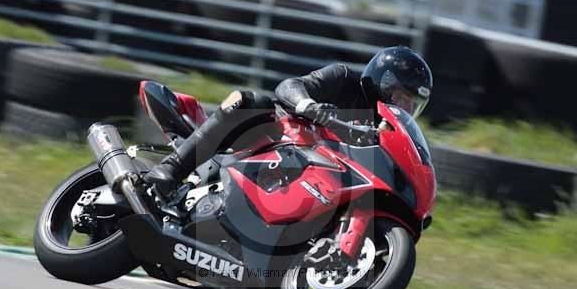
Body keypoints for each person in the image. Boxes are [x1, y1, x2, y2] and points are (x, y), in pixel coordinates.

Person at [144, 46, 433, 195]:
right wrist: (310, 106)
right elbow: (288, 87)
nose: (406, 107)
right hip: (276, 141)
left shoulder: (384, 129)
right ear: (384, 82)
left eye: (413, 104)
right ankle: (171, 168)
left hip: (314, 180)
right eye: (403, 97)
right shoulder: (344, 78)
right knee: (251, 102)